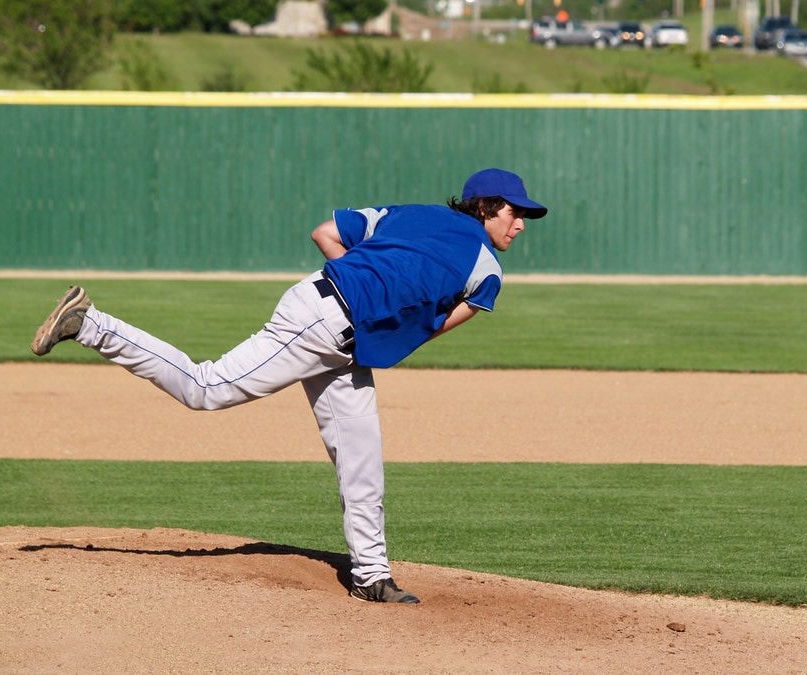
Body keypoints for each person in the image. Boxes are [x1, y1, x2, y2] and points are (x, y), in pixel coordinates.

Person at [30, 168, 548, 604]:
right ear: (485, 206)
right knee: (206, 387)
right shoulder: (485, 268)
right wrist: (369, 300)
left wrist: (367, 285)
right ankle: (93, 324)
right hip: (324, 323)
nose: (520, 225)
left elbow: (326, 232)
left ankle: (371, 576)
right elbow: (436, 326)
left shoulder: (410, 212)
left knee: (361, 456)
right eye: (514, 212)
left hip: (336, 326)